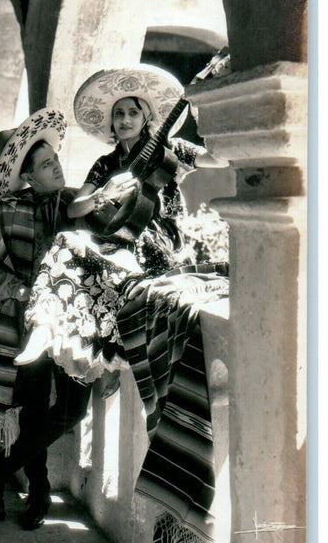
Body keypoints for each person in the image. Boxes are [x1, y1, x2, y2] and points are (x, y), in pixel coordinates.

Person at [14, 65, 228, 391]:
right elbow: (75, 208)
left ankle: (109, 356)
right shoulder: (105, 164)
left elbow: (217, 160)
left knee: (103, 270)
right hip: (119, 240)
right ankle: (44, 326)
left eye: (132, 113)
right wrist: (103, 195)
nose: (125, 120)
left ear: (146, 118)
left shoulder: (170, 149)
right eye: (118, 115)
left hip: (160, 243)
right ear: (111, 123)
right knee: (66, 241)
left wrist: (202, 111)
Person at [0, 107, 92, 529]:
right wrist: (15, 288)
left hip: (76, 325)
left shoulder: (77, 202)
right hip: (24, 326)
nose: (55, 166)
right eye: (44, 165)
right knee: (34, 407)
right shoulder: (9, 211)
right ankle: (38, 493)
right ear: (28, 176)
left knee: (74, 408)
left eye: (54, 159)